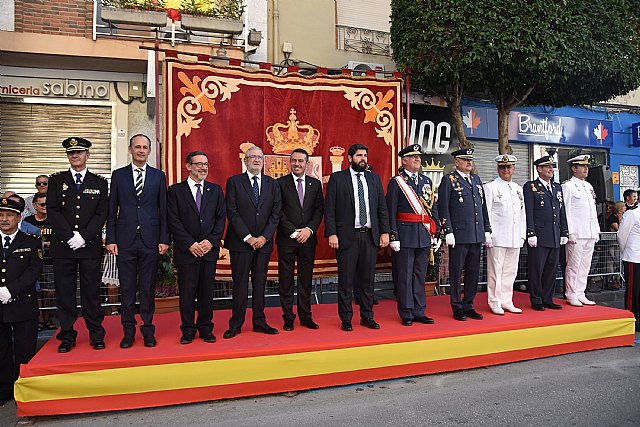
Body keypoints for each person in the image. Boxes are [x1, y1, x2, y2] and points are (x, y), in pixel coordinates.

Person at [106, 134, 169, 349]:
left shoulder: (158, 176)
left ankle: (148, 330)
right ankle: (128, 332)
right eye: (137, 147)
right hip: (125, 241)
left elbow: (164, 211)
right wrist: (111, 239)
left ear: (150, 151)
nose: (141, 150)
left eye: (145, 147)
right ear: (130, 150)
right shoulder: (119, 176)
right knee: (127, 289)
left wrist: (164, 239)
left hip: (150, 241)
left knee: (147, 288)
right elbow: (111, 208)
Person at [46, 137, 108, 353]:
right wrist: (68, 235)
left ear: (87, 155)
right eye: (71, 153)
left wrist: (84, 236)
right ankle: (67, 336)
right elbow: (52, 210)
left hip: (89, 246)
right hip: (63, 247)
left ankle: (96, 334)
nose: (75, 156)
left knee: (91, 292)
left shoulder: (99, 182)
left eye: (79, 152)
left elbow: (102, 213)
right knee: (65, 292)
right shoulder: (56, 180)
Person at [324, 143, 390, 331]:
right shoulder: (338, 179)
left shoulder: (374, 179)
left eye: (365, 156)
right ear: (350, 158)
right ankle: (346, 318)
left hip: (369, 236)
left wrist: (385, 231)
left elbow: (381, 208)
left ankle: (367, 316)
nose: (363, 159)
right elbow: (330, 209)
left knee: (367, 281)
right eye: (359, 155)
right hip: (347, 237)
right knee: (346, 281)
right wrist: (332, 233)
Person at [167, 151, 226, 344]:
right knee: (187, 293)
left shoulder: (215, 190)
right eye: (199, 164)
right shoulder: (176, 191)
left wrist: (210, 242)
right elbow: (173, 220)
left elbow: (220, 219)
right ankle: (188, 330)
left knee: (207, 293)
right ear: (188, 166)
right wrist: (190, 243)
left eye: (206, 164)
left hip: (208, 251)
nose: (203, 168)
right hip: (188, 251)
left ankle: (206, 329)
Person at [223, 146, 281, 339]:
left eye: (259, 157)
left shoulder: (272, 184)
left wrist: (264, 237)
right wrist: (248, 237)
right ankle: (236, 324)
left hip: (263, 243)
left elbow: (275, 214)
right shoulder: (234, 182)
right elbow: (232, 212)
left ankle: (259, 322)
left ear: (263, 161)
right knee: (239, 284)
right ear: (245, 161)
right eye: (252, 157)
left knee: (260, 284)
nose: (256, 160)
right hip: (241, 243)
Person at [386, 144, 440, 326]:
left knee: (419, 274)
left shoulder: (426, 181)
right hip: (405, 234)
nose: (418, 159)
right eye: (413, 157)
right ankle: (407, 312)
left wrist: (437, 231)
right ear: (404, 161)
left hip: (423, 234)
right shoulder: (397, 182)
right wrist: (393, 236)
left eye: (419, 157)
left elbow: (433, 209)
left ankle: (419, 310)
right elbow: (390, 210)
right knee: (405, 275)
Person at [437, 148, 491, 321]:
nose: (469, 162)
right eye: (465, 159)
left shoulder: (475, 179)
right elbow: (443, 207)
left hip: (476, 234)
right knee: (456, 271)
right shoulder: (449, 180)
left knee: (473, 272)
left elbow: (482, 207)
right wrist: (448, 231)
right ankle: (456, 305)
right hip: (459, 235)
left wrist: (487, 229)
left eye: (470, 160)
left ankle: (469, 304)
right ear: (457, 162)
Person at [0, 197, 42, 406]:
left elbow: (34, 271)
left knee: (25, 350)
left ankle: (23, 388)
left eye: (8, 215)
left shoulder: (31, 241)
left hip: (23, 305)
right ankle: (5, 388)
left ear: (18, 217)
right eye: (1, 215)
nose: (4, 219)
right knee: (2, 351)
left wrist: (10, 290)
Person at [276, 148, 324, 331]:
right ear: (290, 163)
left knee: (305, 280)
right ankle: (288, 317)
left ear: (307, 163)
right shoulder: (279, 184)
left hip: (308, 240)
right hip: (287, 240)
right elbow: (277, 211)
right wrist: (294, 232)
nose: (297, 164)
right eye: (294, 161)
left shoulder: (315, 184)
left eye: (300, 161)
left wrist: (309, 230)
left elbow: (319, 209)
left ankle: (305, 316)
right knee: (286, 281)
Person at [483, 154, 526, 315]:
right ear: (498, 168)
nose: (506, 170)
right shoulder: (491, 187)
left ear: (514, 169)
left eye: (509, 167)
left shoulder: (517, 189)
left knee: (510, 271)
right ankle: (494, 301)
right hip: (498, 237)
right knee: (496, 271)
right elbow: (486, 212)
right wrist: (487, 233)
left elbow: (522, 213)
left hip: (514, 236)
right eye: (502, 167)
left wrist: (522, 234)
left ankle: (507, 300)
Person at [524, 156, 569, 311]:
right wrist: (531, 232)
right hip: (539, 235)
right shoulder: (531, 187)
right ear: (539, 169)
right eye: (547, 166)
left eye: (552, 166)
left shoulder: (557, 187)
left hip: (555, 234)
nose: (551, 169)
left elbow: (561, 210)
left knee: (551, 269)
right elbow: (529, 211)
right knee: (537, 269)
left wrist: (564, 231)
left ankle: (548, 298)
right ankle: (536, 299)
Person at [562, 155, 600, 307]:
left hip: (589, 232)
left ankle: (580, 291)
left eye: (587, 166)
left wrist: (596, 231)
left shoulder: (589, 186)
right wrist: (569, 231)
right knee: (573, 264)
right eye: (582, 166)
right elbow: (565, 210)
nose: (586, 169)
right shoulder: (568, 186)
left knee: (585, 264)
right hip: (576, 233)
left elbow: (592, 211)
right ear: (574, 168)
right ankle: (571, 293)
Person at [24, 193, 56, 330]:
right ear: (34, 205)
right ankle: (38, 319)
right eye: (42, 204)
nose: (45, 207)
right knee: (35, 291)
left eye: (47, 204)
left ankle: (46, 317)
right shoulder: (28, 221)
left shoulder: (55, 219)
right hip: (32, 261)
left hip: (50, 260)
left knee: (49, 291)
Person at [617, 203, 640, 332]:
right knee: (633, 291)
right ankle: (632, 319)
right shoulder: (633, 214)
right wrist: (625, 251)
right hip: (633, 257)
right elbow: (622, 235)